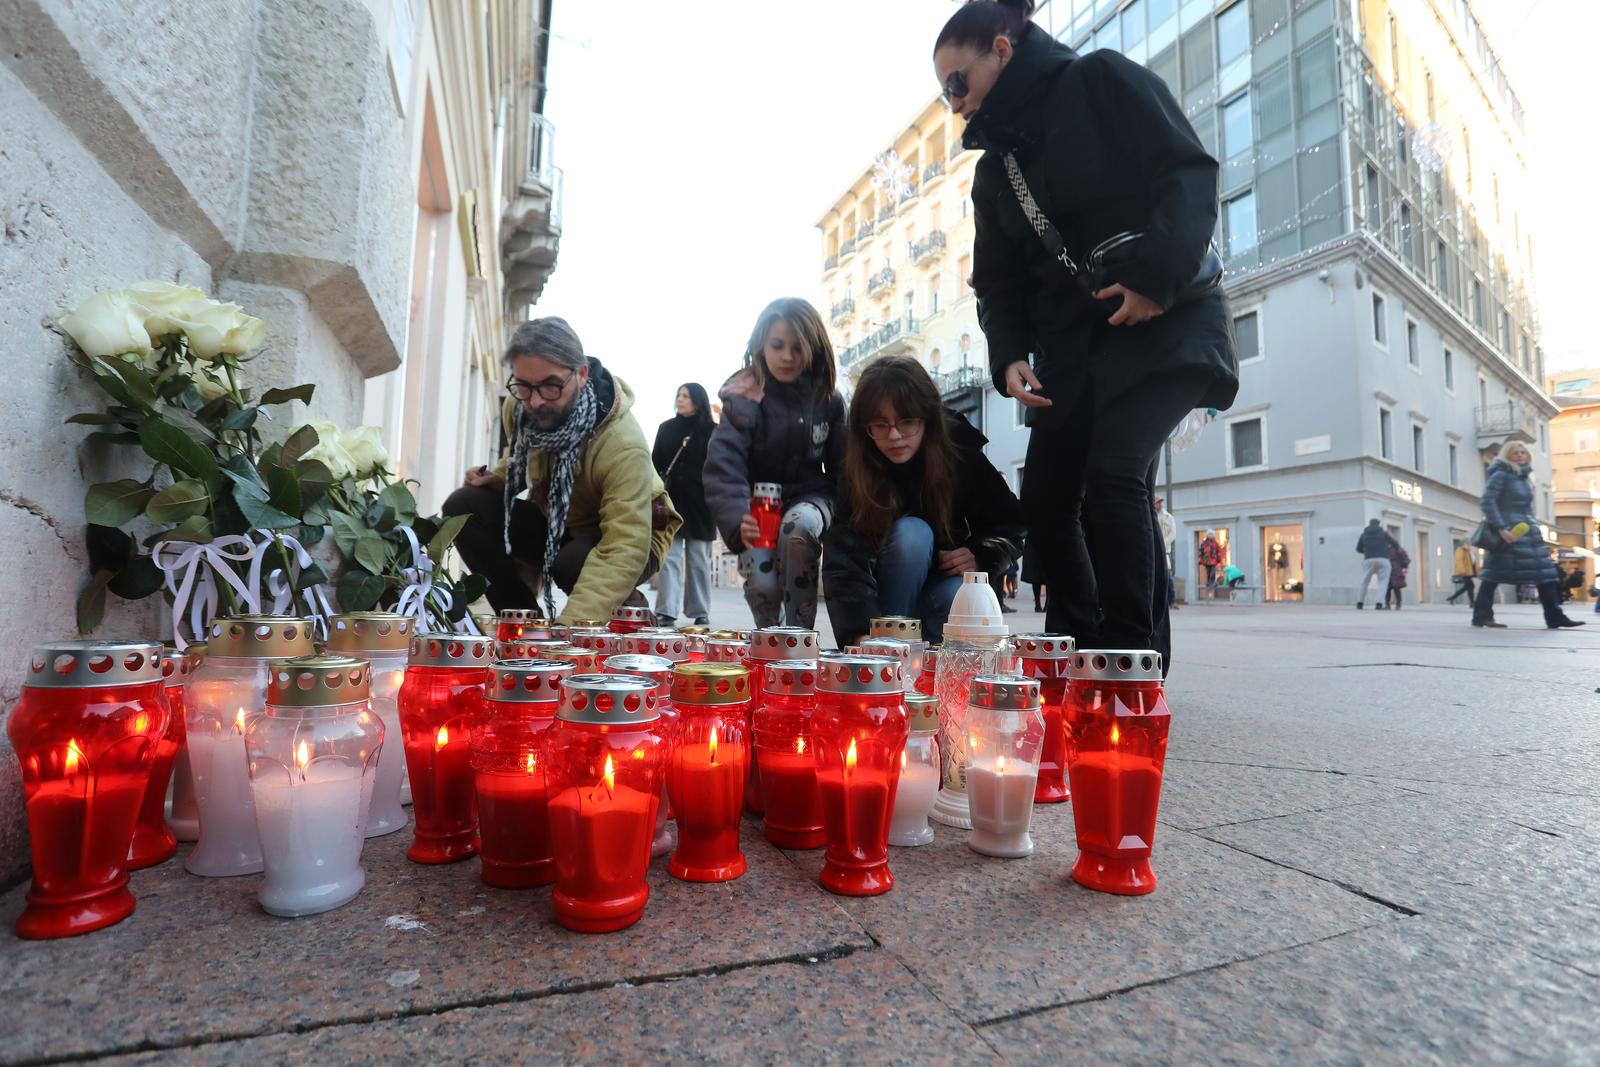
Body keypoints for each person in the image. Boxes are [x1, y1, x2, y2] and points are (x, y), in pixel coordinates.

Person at [934, 0, 1238, 669]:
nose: (952, 101)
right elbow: (998, 281)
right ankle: (1077, 641)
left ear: (1003, 50)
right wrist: (1008, 355)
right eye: (943, 89)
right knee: (1044, 499)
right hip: (1073, 356)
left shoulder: (1099, 79)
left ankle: (1132, 659)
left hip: (1164, 325)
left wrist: (1156, 276)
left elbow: (1187, 171)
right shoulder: (995, 173)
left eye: (958, 80)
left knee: (1115, 475)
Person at [443, 318, 680, 623]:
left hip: (636, 532)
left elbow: (624, 545)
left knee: (571, 563)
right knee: (463, 507)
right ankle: (523, 622)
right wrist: (500, 477)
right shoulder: (519, 408)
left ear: (581, 375)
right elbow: (520, 456)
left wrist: (567, 634)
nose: (537, 401)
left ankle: (633, 623)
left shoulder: (622, 444)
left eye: (551, 386)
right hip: (562, 521)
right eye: (524, 386)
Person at [822, 355, 1024, 647]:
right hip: (881, 607)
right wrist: (859, 636)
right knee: (913, 534)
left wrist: (980, 555)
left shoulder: (958, 451)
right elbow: (843, 562)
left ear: (927, 419)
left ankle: (924, 662)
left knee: (960, 591)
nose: (894, 435)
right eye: (879, 424)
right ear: (865, 427)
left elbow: (1010, 523)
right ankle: (890, 650)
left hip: (941, 597)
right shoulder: (856, 465)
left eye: (906, 421)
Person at [704, 298, 846, 630]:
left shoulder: (828, 397)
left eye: (798, 348)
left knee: (798, 531)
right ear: (760, 345)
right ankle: (771, 643)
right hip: (757, 507)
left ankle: (799, 639)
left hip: (811, 498)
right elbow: (724, 465)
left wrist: (849, 521)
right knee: (763, 586)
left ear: (815, 349)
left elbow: (845, 466)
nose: (787, 357)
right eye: (778, 345)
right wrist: (739, 518)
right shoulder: (744, 398)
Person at [1472, 443, 1584, 630]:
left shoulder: (1523, 477)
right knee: (1492, 576)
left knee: (1546, 574)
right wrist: (1501, 528)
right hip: (1509, 532)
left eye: (1523, 452)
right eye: (1515, 453)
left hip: (1527, 530)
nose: (1520, 455)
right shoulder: (1501, 474)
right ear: (1507, 456)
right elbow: (1488, 501)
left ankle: (1555, 617)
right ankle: (1482, 616)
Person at [652, 383, 716, 627]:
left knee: (699, 560)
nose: (680, 399)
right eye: (678, 395)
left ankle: (700, 611)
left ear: (698, 401)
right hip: (671, 502)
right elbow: (655, 465)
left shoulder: (713, 431)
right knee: (669, 558)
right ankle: (666, 610)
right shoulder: (665, 429)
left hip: (702, 504)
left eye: (686, 396)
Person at [1355, 519, 1398, 610]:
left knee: (1364, 581)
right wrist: (1390, 549)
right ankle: (1379, 603)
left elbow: (1358, 549)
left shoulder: (1364, 534)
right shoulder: (1383, 533)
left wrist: (1367, 551)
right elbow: (1395, 544)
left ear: (1369, 524)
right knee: (1383, 582)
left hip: (1368, 559)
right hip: (1383, 559)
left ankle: (1360, 602)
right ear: (1379, 524)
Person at [1155, 498, 1177, 607]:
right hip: (1155, 550)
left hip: (1165, 551)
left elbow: (1172, 534)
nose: (1160, 504)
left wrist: (1162, 543)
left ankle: (1172, 600)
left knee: (1168, 576)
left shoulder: (1168, 517)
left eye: (1160, 502)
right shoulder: (1152, 515)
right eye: (1158, 502)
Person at [1447, 540, 1478, 605]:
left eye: (1470, 544)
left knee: (1467, 587)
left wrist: (1473, 552)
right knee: (1471, 586)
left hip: (1469, 572)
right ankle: (1472, 603)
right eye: (1467, 544)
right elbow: (1459, 561)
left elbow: (1474, 561)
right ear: (1463, 544)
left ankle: (1452, 598)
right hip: (1464, 572)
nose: (1469, 545)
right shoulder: (1460, 550)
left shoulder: (1468, 551)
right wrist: (1462, 571)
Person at [1385, 544, 1409, 610]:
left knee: (1394, 587)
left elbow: (1405, 559)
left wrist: (1404, 568)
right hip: (1391, 569)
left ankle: (1395, 604)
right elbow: (1406, 559)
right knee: (1390, 588)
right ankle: (1391, 604)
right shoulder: (1397, 549)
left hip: (1394, 569)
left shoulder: (1398, 549)